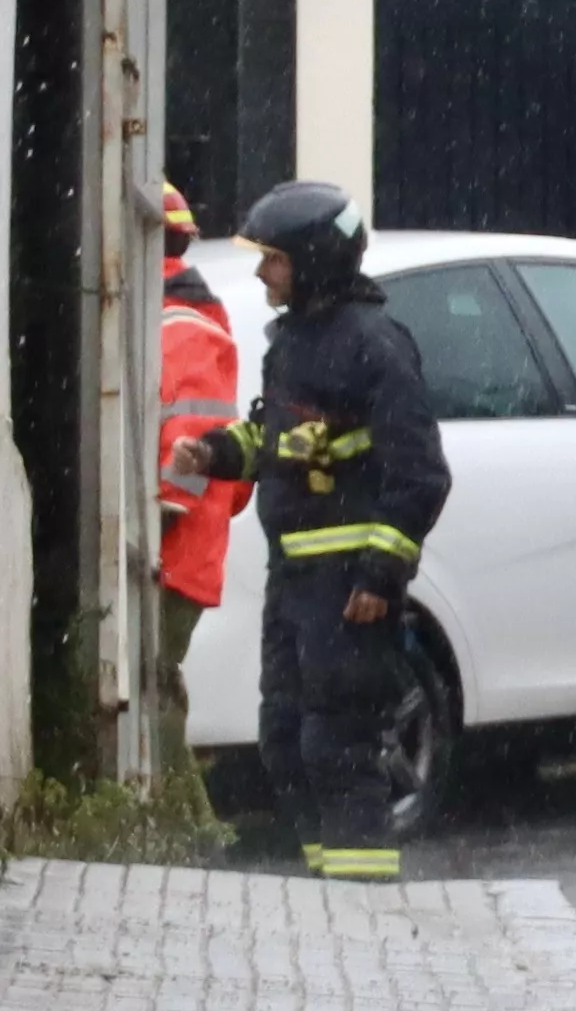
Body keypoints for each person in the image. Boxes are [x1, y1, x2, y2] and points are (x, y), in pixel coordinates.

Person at [176, 180, 450, 882]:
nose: (265, 273)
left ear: (318, 261)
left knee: (341, 744)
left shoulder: (376, 346)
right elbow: (276, 433)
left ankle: (362, 901)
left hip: (347, 590)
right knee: (286, 742)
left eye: (276, 259)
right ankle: (329, 890)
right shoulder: (293, 341)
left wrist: (379, 578)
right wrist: (215, 453)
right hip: (293, 581)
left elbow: (419, 475)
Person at [141, 176, 244, 777]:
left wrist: (162, 510)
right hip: (183, 548)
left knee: (154, 685)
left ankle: (188, 835)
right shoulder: (190, 315)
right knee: (155, 683)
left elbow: (196, 448)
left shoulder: (180, 323)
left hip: (174, 547)